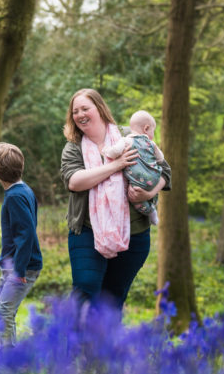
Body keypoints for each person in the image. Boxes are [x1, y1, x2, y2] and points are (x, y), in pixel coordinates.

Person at [59, 89, 171, 309]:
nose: (80, 114)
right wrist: (116, 165)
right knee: (85, 288)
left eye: (85, 108)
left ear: (99, 109)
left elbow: (164, 170)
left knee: (112, 298)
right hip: (88, 230)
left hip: (134, 233)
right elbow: (74, 181)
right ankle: (75, 341)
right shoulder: (73, 147)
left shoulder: (130, 136)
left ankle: (104, 343)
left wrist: (149, 193)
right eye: (75, 111)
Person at [0, 142, 42, 348]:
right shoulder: (24, 190)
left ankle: (8, 360)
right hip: (15, 265)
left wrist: (18, 270)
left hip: (21, 268)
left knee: (3, 312)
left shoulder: (15, 197)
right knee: (5, 312)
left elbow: (26, 234)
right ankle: (9, 355)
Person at [102, 110, 165, 225]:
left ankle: (151, 212)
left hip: (138, 181)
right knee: (152, 191)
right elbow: (161, 158)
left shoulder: (126, 140)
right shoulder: (151, 143)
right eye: (153, 131)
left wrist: (106, 150)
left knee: (134, 198)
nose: (153, 134)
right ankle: (154, 204)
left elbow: (114, 152)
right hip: (155, 177)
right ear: (146, 129)